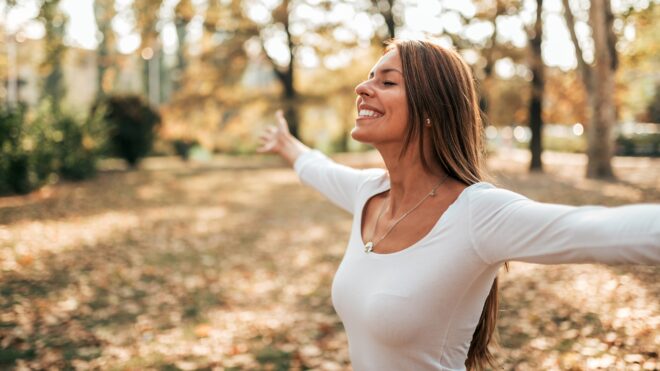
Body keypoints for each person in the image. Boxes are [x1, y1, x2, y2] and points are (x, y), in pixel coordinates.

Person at [256, 39, 660, 371]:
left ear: (431, 109)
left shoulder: (477, 214)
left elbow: (598, 229)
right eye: (368, 78)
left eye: (388, 82)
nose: (363, 88)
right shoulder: (369, 193)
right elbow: (318, 169)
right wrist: (288, 146)